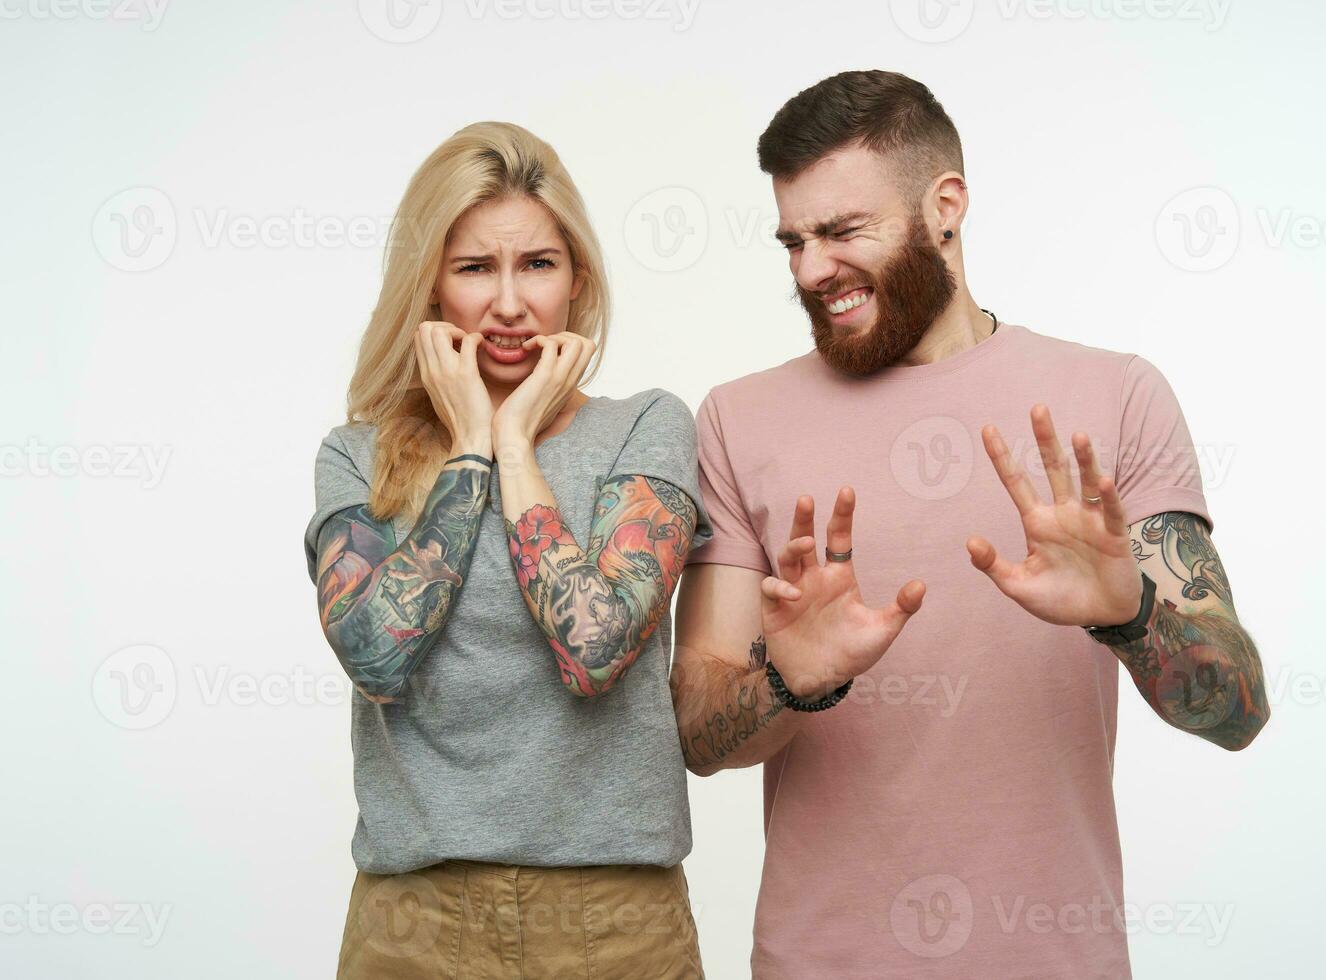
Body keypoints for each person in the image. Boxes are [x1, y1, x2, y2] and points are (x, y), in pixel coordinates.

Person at [669, 70, 1270, 978]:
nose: (808, 270)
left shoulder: (1114, 397)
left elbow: (1238, 712)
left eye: (841, 232)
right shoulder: (735, 419)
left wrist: (1133, 614)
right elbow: (696, 733)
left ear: (944, 206)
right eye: (792, 240)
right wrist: (791, 681)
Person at [304, 121, 709, 979]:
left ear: (576, 281)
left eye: (537, 264)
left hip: (615, 919)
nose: (511, 304)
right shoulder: (355, 455)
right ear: (429, 287)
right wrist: (470, 449)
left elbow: (594, 650)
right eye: (475, 268)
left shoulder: (646, 424)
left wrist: (517, 444)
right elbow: (377, 656)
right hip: (413, 922)